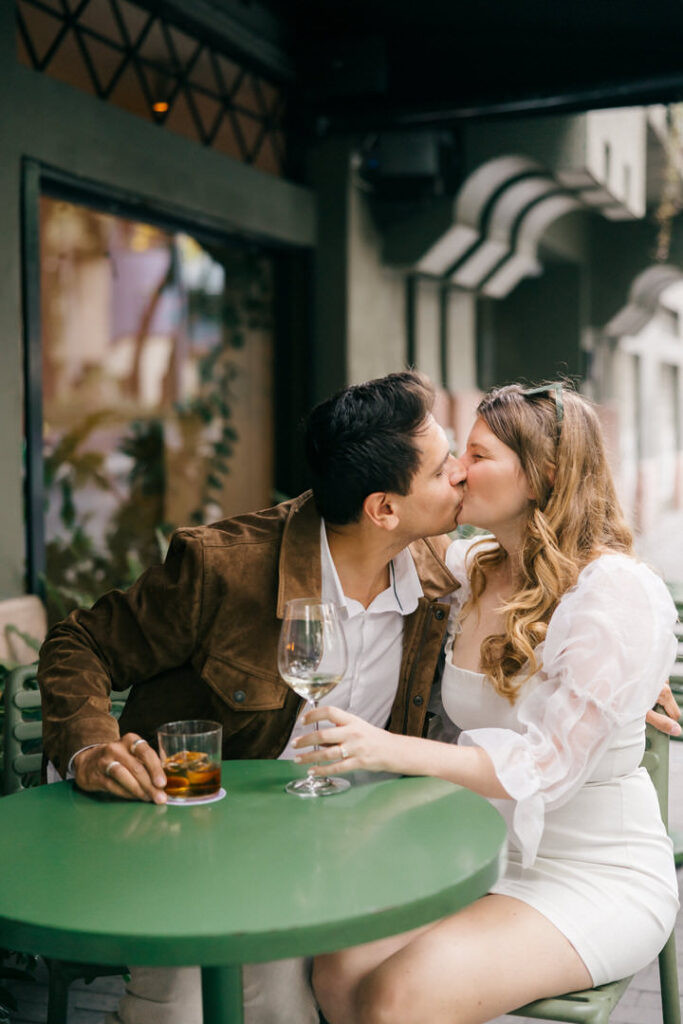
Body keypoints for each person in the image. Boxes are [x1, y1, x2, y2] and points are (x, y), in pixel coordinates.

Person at [37, 370, 467, 1024]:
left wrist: (604, 686)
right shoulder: (222, 567)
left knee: (289, 1003)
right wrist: (92, 746)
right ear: (384, 507)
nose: (460, 475)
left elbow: (543, 594)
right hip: (197, 829)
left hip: (343, 835)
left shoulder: (438, 570)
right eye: (442, 469)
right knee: (180, 1007)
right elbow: (78, 643)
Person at [293, 382, 681, 1024]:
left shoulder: (614, 595)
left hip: (591, 871)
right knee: (339, 966)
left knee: (397, 998)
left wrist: (388, 748)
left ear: (542, 476)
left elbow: (546, 769)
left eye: (476, 455)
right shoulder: (472, 565)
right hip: (479, 851)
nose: (455, 471)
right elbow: (364, 516)